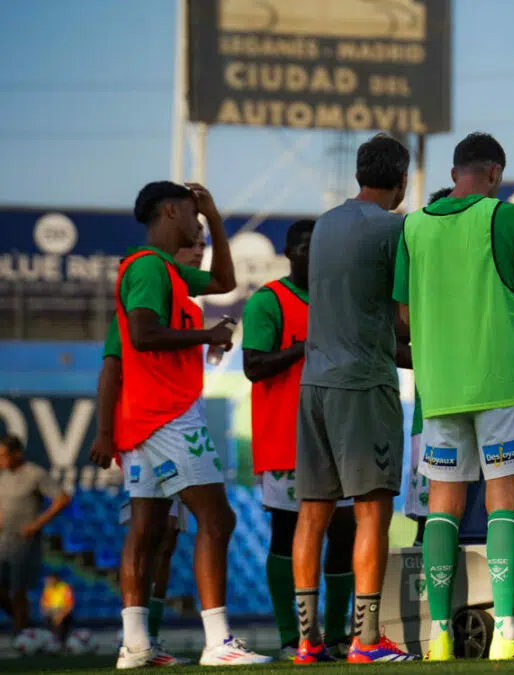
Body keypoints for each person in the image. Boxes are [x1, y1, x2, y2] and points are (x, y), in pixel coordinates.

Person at [394, 132, 514, 661]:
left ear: (454, 173)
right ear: (494, 173)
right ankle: (508, 634)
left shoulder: (414, 226)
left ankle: (441, 638)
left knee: (443, 508)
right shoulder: (504, 217)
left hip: (439, 387)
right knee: (503, 505)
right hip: (500, 383)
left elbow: (402, 315)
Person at [107, 180, 271, 667]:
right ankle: (218, 642)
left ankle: (136, 645)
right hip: (168, 415)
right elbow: (141, 334)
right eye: (193, 217)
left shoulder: (169, 273)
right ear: (170, 210)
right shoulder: (150, 269)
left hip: (147, 418)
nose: (197, 225)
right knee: (218, 519)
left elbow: (223, 282)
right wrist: (207, 333)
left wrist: (217, 218)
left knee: (149, 529)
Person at [293, 134, 417, 664]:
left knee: (312, 516)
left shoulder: (325, 224)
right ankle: (366, 642)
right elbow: (405, 317)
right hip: (363, 384)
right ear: (403, 179)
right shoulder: (395, 228)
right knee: (372, 514)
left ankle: (306, 640)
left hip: (314, 383)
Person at [241, 218, 358, 660]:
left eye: (322, 246)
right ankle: (292, 637)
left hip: (339, 437)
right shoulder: (267, 302)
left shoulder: (339, 300)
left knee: (344, 531)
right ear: (291, 252)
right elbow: (254, 366)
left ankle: (336, 636)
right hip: (287, 438)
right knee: (287, 532)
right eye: (307, 246)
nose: (315, 254)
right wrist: (303, 346)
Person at [95, 233, 208, 667]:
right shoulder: (135, 313)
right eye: (191, 243)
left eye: (201, 242)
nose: (198, 251)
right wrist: (105, 433)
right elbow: (111, 371)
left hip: (178, 423)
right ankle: (138, 639)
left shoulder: (182, 308)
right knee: (153, 534)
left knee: (167, 538)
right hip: (152, 430)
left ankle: (147, 640)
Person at [403, 186, 453, 546]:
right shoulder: (416, 275)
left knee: (480, 519)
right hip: (432, 417)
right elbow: (393, 343)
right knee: (429, 522)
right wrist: (434, 357)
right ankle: (425, 602)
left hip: (485, 415)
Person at [0, 435, 71, 635]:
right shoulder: (3, 476)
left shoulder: (35, 474)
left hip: (24, 542)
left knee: (18, 590)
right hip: (3, 540)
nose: (0, 460)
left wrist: (36, 524)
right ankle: (26, 626)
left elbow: (63, 498)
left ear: (17, 454)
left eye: (4, 455)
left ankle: (21, 633)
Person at [40, 573, 75, 645]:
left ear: (56, 579)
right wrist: (50, 613)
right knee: (47, 618)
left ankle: (62, 642)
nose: (48, 581)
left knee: (64, 620)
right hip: (52, 612)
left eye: (50, 579)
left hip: (63, 611)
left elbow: (69, 605)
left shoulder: (65, 587)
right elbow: (44, 605)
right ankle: (49, 641)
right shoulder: (48, 588)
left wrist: (60, 615)